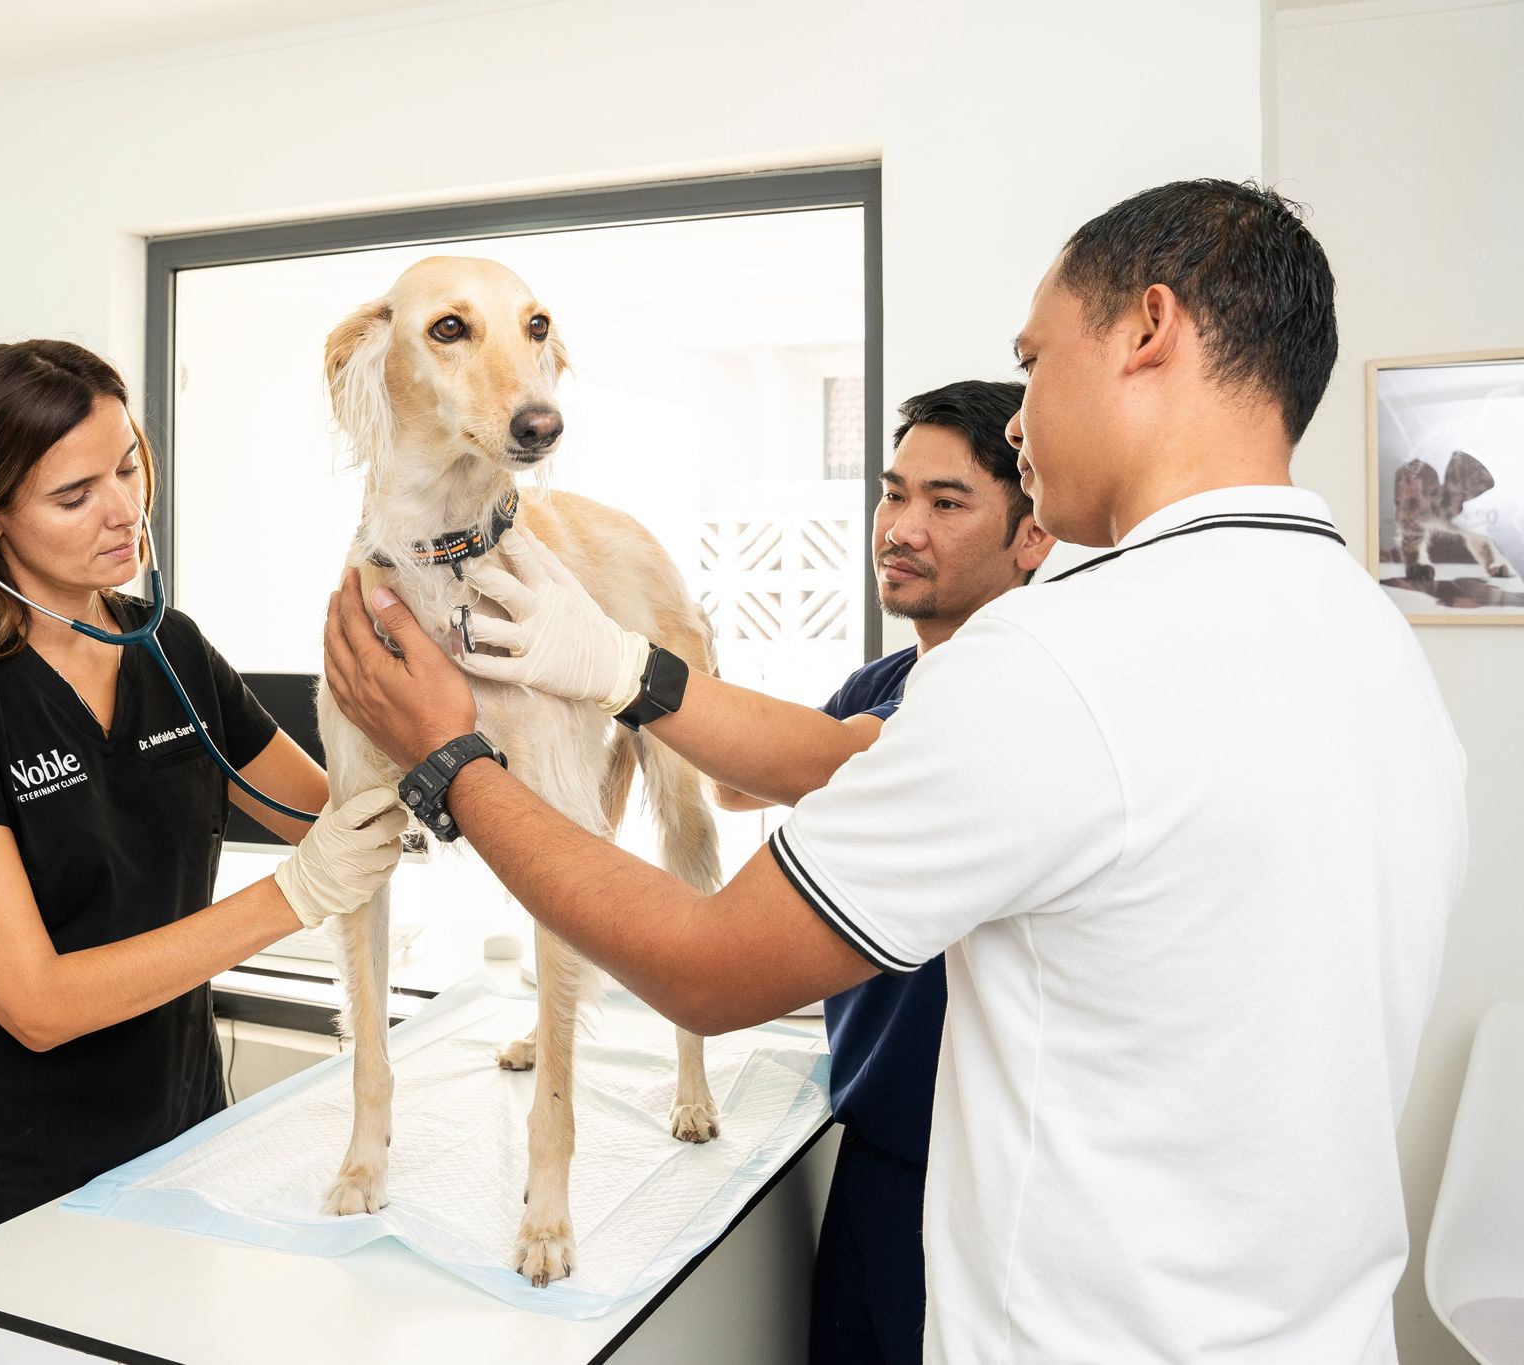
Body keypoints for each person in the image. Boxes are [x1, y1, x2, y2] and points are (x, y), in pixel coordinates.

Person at [321, 180, 1465, 1362]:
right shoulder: (1367, 639)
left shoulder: (1061, 661)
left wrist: (451, 758)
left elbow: (710, 970)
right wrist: (626, 671)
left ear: (1147, 332)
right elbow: (858, 755)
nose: (1018, 419)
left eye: (1032, 362)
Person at [0, 340, 407, 1365]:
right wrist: (295, 894)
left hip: (179, 1147)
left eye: (128, 468)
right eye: (74, 493)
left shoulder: (166, 647)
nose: (122, 511)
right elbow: (36, 1004)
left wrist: (440, 708)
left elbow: (332, 822)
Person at [779, 379, 1049, 1365]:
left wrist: (630, 672)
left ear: (1031, 536)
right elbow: (742, 780)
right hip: (875, 1138)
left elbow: (815, 759)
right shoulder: (885, 680)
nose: (898, 527)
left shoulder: (1010, 694)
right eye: (893, 494)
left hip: (972, 1169)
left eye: (945, 502)